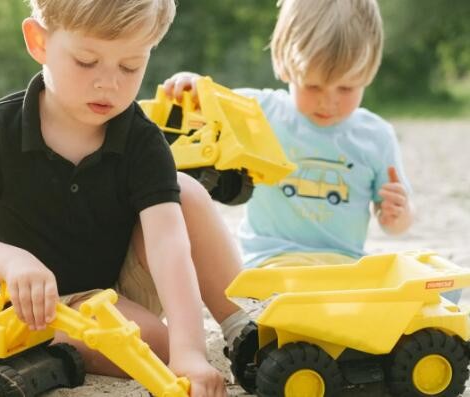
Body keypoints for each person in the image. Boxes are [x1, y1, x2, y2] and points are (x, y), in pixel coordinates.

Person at [0, 1, 250, 396]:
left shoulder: (141, 138)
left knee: (185, 191)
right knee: (153, 342)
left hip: (122, 282)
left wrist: (190, 351)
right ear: (39, 42)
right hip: (39, 302)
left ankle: (242, 326)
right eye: (86, 61)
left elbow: (168, 244)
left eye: (130, 66)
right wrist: (12, 261)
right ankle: (40, 353)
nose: (109, 83)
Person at [163, 0, 414, 269]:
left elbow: (397, 224)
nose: (328, 102)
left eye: (346, 88)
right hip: (269, 262)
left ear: (369, 72)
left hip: (343, 267)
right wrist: (190, 84)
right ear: (285, 64)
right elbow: (207, 102)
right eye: (313, 86)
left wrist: (395, 216)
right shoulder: (259, 112)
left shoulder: (376, 136)